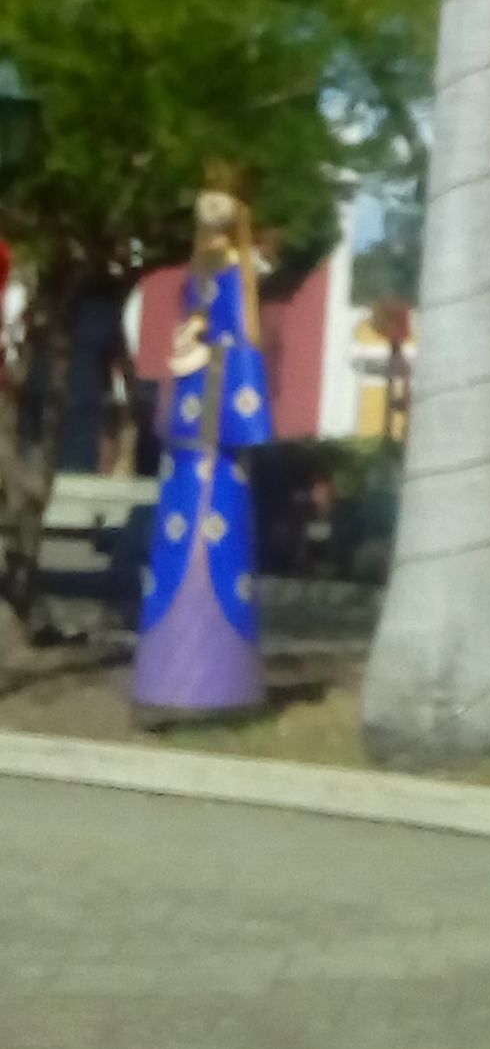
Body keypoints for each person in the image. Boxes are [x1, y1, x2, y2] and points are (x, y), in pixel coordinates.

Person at [132, 180, 273, 717]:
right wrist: (187, 342)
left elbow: (235, 336)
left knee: (216, 533)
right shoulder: (203, 269)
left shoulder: (235, 271)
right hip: (189, 425)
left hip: (214, 420)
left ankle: (217, 685)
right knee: (176, 536)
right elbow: (196, 321)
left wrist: (202, 354)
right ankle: (170, 680)